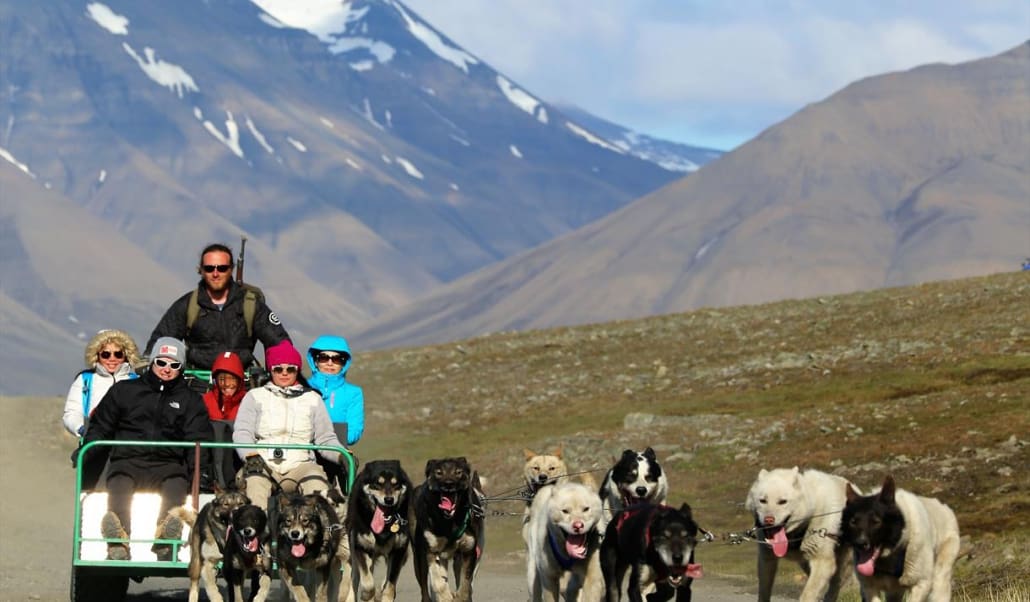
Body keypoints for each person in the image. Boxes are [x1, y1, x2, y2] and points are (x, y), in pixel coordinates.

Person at [76, 337, 214, 561]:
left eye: (174, 365)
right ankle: (118, 541)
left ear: (181, 368)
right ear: (152, 362)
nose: (166, 369)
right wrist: (87, 451)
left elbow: (198, 437)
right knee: (119, 485)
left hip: (168, 464)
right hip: (128, 460)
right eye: (161, 362)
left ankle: (166, 540)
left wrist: (201, 472)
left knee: (176, 487)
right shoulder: (125, 391)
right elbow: (102, 424)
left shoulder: (190, 400)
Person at [232, 340, 346, 511]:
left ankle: (321, 534)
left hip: (301, 463)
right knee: (254, 486)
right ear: (271, 370)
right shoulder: (255, 396)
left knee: (317, 487)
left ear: (297, 370)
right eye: (278, 369)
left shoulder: (312, 399)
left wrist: (341, 454)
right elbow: (242, 431)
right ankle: (257, 534)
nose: (284, 374)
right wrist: (250, 455)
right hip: (262, 463)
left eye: (290, 369)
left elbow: (325, 438)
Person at [145, 242, 291, 372]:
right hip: (196, 390)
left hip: (242, 389)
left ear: (231, 269)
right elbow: (159, 344)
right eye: (209, 268)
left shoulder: (251, 305)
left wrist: (281, 372)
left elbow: (280, 345)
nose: (215, 274)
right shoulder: (187, 305)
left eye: (222, 268)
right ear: (201, 270)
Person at [62, 329, 142, 437]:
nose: (112, 359)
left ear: (127, 355)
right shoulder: (85, 380)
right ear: (96, 355)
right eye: (105, 354)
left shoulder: (138, 381)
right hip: (95, 443)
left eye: (118, 354)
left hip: (130, 444)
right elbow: (72, 413)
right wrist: (82, 429)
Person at [306, 335, 365, 445]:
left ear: (344, 363)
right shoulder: (300, 389)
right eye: (323, 357)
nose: (330, 363)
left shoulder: (354, 393)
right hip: (301, 453)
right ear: (315, 361)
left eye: (336, 359)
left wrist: (326, 440)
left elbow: (355, 430)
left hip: (336, 452)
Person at [202, 351, 247, 421]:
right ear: (215, 380)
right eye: (221, 379)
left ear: (240, 380)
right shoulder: (205, 401)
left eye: (232, 379)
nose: (227, 384)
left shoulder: (248, 401)